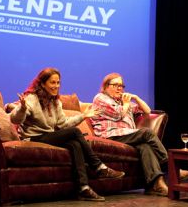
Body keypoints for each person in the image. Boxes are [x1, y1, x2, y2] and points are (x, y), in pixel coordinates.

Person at [9, 67, 125, 202]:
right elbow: (14, 119)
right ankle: (99, 167)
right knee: (76, 132)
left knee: (75, 144)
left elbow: (62, 124)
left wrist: (83, 116)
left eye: (58, 83)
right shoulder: (32, 98)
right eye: (53, 82)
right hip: (32, 137)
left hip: (48, 136)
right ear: (42, 83)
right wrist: (22, 108)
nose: (56, 86)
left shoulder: (55, 101)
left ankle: (83, 188)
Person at [90, 72, 188, 197]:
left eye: (121, 86)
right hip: (109, 135)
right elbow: (118, 114)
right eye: (115, 85)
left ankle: (155, 185)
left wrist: (136, 98)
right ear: (106, 86)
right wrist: (126, 104)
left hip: (126, 135)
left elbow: (147, 110)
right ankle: (172, 168)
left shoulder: (122, 101)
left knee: (145, 146)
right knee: (147, 133)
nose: (119, 88)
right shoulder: (100, 98)